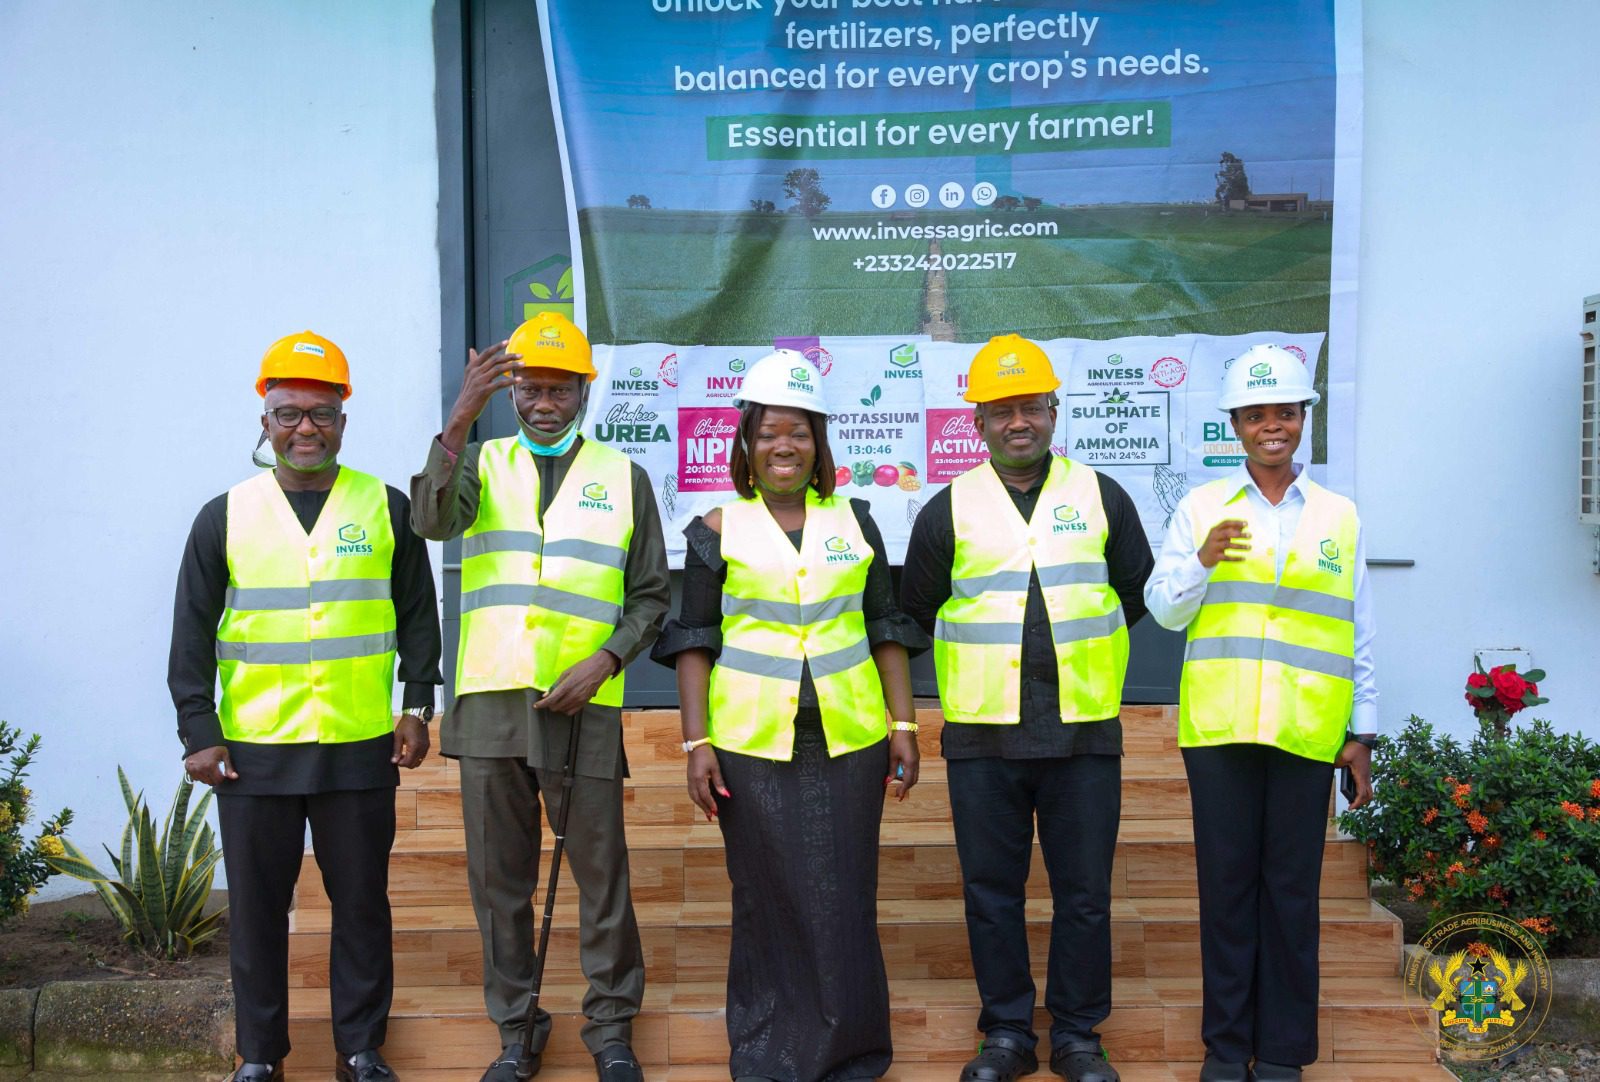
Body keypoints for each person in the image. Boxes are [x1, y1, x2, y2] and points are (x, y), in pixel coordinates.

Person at [169, 331, 441, 1082]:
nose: (305, 428)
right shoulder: (224, 515)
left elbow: (419, 614)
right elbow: (190, 630)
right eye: (288, 414)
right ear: (265, 421)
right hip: (253, 751)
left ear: (343, 421)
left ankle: (360, 1049)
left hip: (359, 744)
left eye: (320, 413)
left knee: (362, 906)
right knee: (258, 913)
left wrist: (418, 704)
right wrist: (198, 729)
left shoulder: (385, 507)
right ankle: (261, 1056)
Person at [652, 349, 925, 1082]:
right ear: (746, 441)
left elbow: (885, 626)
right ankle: (769, 1055)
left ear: (818, 444)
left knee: (845, 895)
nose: (784, 445)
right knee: (767, 897)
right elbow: (693, 641)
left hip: (851, 739)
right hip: (750, 744)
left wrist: (904, 725)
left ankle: (852, 1056)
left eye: (799, 432)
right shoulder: (716, 527)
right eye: (769, 431)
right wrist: (696, 742)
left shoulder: (856, 521)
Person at [411, 311, 670, 1082]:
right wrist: (460, 416)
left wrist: (607, 661)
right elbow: (430, 521)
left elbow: (651, 596)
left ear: (585, 390)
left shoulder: (624, 477)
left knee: (601, 875)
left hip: (581, 705)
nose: (544, 403)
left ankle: (611, 1028)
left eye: (559, 389)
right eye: (530, 389)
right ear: (512, 392)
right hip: (490, 701)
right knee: (500, 883)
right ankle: (517, 1030)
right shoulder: (479, 460)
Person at [900, 335, 1153, 1082]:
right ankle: (1007, 1033)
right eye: (1002, 410)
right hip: (983, 736)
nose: (1019, 422)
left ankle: (1077, 1035)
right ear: (978, 421)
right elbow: (915, 612)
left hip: (1083, 731)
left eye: (1032, 407)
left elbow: (1134, 593)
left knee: (1085, 897)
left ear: (1053, 412)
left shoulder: (1102, 496)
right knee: (991, 895)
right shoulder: (946, 509)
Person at [1143, 344, 1376, 1082]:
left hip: (1307, 729)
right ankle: (1225, 1048)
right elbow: (1163, 611)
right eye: (1255, 415)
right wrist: (1201, 562)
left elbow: (1359, 628)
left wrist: (1363, 732)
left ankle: (1281, 1052)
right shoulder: (1202, 508)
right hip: (1221, 730)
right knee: (1227, 891)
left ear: (1304, 418)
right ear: (1236, 426)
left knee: (1292, 895)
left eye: (1285, 412)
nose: (1272, 426)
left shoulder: (1339, 515)